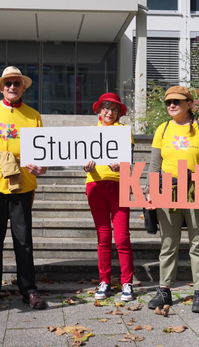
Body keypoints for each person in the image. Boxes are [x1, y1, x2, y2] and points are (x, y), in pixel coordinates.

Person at [0, 66, 48, 310]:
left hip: (22, 183)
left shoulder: (34, 115)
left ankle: (29, 290)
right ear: (1, 87)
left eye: (16, 83)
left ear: (24, 87)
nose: (12, 87)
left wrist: (42, 167)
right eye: (8, 83)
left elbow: (42, 153)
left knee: (23, 240)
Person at [145, 86, 199, 314]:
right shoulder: (163, 129)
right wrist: (150, 189)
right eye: (168, 102)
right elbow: (155, 164)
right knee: (168, 243)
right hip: (167, 188)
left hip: (197, 188)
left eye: (177, 101)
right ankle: (164, 290)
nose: (172, 105)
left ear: (189, 103)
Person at [82, 93, 135, 302]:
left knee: (122, 237)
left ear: (119, 113)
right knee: (103, 237)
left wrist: (121, 163)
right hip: (95, 185)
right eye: (106, 107)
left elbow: (129, 157)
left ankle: (127, 283)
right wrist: (85, 164)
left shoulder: (124, 131)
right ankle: (104, 281)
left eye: (114, 109)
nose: (109, 112)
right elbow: (81, 156)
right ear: (98, 110)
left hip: (120, 184)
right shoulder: (91, 132)